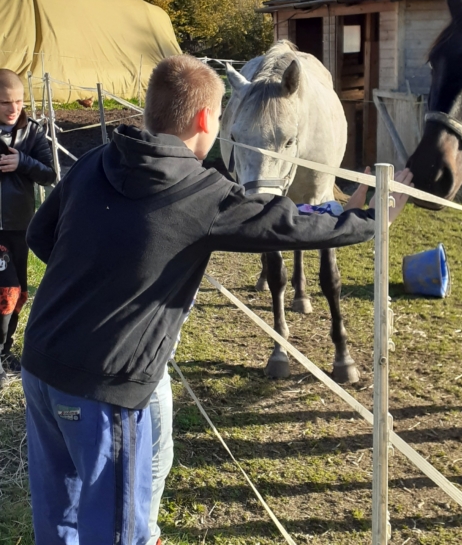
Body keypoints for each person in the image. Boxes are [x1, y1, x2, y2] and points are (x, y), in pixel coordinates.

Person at [21, 54, 412, 545]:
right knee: (118, 531)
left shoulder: (98, 160)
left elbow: (41, 238)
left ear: (149, 111)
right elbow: (286, 225)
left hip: (39, 366)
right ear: (209, 119)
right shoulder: (201, 191)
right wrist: (375, 218)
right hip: (106, 386)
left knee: (59, 520)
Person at [0, 69, 55, 386]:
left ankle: (5, 350)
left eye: (18, 101)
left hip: (19, 226)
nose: (14, 108)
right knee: (4, 291)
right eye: (6, 103)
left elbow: (49, 173)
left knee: (17, 293)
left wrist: (23, 162)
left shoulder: (33, 132)